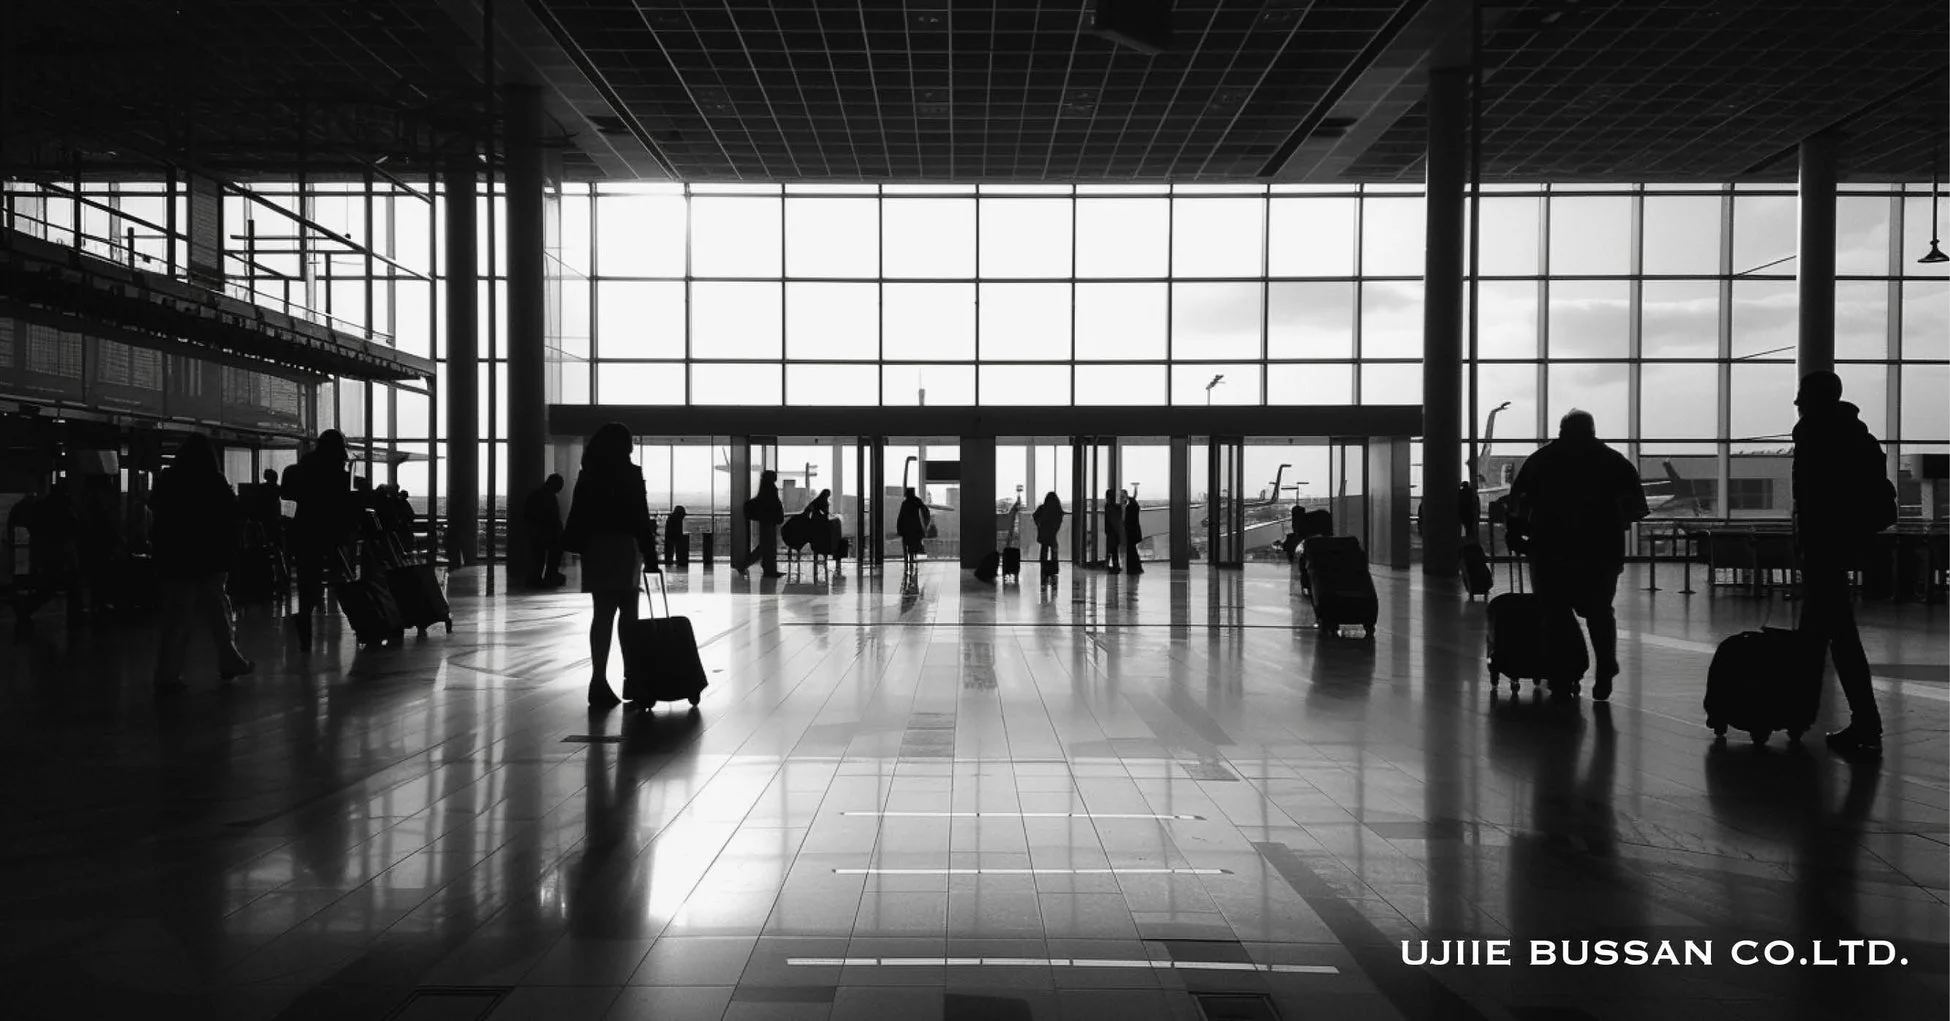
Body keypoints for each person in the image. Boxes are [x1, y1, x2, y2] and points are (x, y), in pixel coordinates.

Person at [1506, 410, 1648, 701]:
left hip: (1549, 549)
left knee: (1555, 613)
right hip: (1600, 551)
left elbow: (1517, 503)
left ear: (1561, 430)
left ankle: (1562, 673)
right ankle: (1605, 663)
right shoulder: (1614, 462)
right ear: (1592, 430)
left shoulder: (1541, 461)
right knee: (1599, 611)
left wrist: (1516, 534)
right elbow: (1634, 509)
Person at [1792, 371, 1892, 760]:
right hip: (1839, 547)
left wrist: (1806, 547)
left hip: (1823, 551)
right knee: (1821, 636)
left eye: (1801, 394)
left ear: (1814, 398)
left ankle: (1861, 720)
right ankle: (1801, 715)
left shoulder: (1816, 436)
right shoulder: (1856, 436)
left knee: (1835, 637)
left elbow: (1813, 503)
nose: (1796, 402)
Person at [560, 423, 658, 709]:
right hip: (625, 547)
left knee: (602, 614)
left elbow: (579, 513)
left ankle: (598, 679)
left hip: (596, 548)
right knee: (629, 615)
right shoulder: (630, 473)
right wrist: (650, 555)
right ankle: (633, 678)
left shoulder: (589, 474)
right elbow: (640, 516)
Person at [149, 433, 253, 694]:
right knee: (218, 609)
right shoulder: (214, 482)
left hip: (175, 558)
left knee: (177, 617)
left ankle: (168, 673)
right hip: (210, 558)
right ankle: (228, 659)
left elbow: (158, 515)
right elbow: (233, 515)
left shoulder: (169, 481)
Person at [281, 429, 356, 653]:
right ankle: (362, 622)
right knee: (343, 579)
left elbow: (287, 494)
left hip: (305, 531)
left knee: (308, 581)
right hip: (331, 531)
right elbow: (345, 503)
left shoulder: (298, 470)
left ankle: (304, 623)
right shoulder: (339, 474)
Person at [523, 473, 567, 588]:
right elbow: (553, 518)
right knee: (552, 555)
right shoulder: (549, 497)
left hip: (538, 533)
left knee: (538, 558)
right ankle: (550, 575)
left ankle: (537, 578)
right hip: (547, 533)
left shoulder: (536, 495)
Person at [739, 470, 785, 578]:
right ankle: (767, 570)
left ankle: (768, 570)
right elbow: (773, 505)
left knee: (765, 547)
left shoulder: (765, 488)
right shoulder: (771, 489)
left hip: (766, 521)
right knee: (767, 547)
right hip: (769, 522)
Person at [896, 487, 930, 571]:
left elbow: (901, 516)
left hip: (907, 527)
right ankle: (913, 557)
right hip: (915, 526)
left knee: (908, 544)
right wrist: (925, 522)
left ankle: (910, 559)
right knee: (914, 543)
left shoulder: (905, 503)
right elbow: (925, 510)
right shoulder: (917, 501)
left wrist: (899, 528)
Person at [1032, 492, 1065, 571]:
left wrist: (1039, 524)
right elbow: (1060, 517)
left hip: (1044, 531)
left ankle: (1044, 566)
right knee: (1054, 547)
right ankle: (1054, 566)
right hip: (1052, 532)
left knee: (1044, 548)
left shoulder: (1042, 508)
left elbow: (1034, 516)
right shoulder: (1057, 509)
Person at [1102, 488, 1123, 573]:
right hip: (1115, 531)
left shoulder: (1108, 506)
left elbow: (1109, 519)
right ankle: (1114, 565)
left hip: (1111, 531)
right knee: (1114, 549)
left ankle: (1110, 565)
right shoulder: (1116, 506)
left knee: (1111, 549)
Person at [1122, 494, 1144, 575]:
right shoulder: (1135, 508)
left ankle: (1133, 567)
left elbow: (1126, 520)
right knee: (1133, 551)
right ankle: (1135, 567)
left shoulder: (1129, 508)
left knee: (1131, 551)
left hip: (1130, 533)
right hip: (1134, 533)